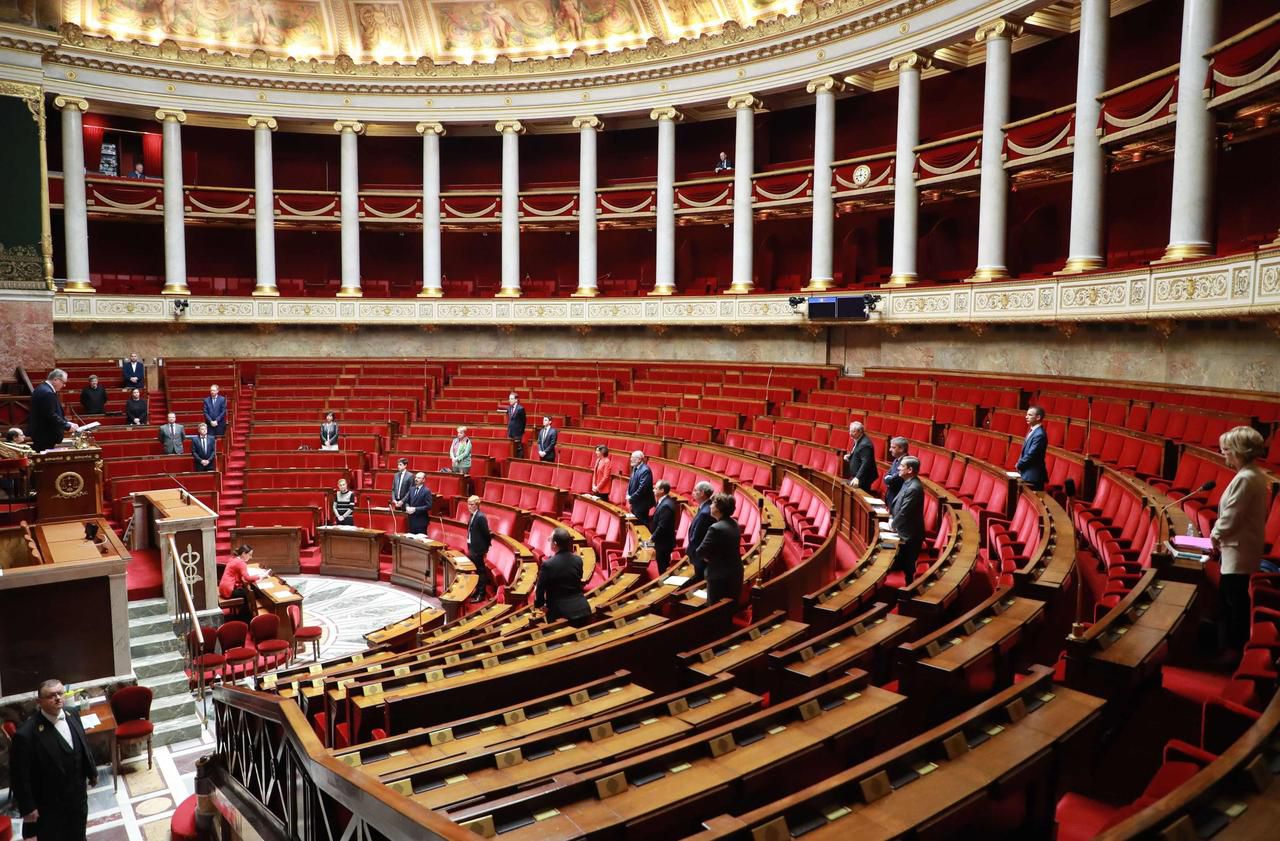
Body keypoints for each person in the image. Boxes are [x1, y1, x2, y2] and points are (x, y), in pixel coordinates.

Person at [9, 678, 98, 841]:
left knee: (78, 833)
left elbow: (83, 744)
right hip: (50, 803)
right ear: (39, 701)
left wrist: (92, 771)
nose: (57, 698)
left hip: (77, 795)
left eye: (60, 693)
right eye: (51, 696)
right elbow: (20, 775)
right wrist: (28, 808)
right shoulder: (26, 734)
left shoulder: (72, 714)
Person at [1211, 426, 1268, 658]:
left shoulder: (1246, 479)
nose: (1223, 453)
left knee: (1234, 606)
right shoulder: (1251, 475)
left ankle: (1232, 654)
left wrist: (1214, 536)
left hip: (1239, 552)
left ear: (1238, 451)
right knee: (1232, 603)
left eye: (1226, 449)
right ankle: (1231, 650)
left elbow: (1231, 517)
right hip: (1240, 548)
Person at [534, 527, 592, 626]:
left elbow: (540, 589)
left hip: (561, 615)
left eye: (550, 540)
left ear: (555, 544)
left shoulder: (548, 565)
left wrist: (540, 605)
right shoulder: (578, 560)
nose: (549, 542)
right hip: (583, 609)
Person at [698, 493, 743, 607]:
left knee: (715, 611)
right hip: (735, 573)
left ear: (719, 509)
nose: (710, 506)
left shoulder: (715, 528)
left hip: (719, 577)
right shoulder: (734, 523)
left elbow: (701, 551)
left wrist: (706, 557)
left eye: (713, 503)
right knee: (729, 608)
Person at [889, 456, 925, 583]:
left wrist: (892, 524)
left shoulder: (914, 488)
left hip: (909, 535)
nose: (898, 468)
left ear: (910, 470)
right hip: (903, 530)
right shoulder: (908, 482)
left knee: (908, 569)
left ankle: (908, 596)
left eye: (902, 466)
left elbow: (904, 512)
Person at [29, 369, 78, 452]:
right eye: (63, 382)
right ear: (55, 379)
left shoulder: (42, 388)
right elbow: (50, 415)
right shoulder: (47, 392)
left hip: (41, 434)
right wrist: (67, 426)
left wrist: (67, 422)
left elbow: (52, 412)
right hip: (45, 435)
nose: (64, 385)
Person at [218, 545, 264, 620]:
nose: (251, 557)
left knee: (246, 592)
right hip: (229, 591)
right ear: (243, 554)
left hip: (223, 588)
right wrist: (259, 576)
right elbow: (247, 578)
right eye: (250, 555)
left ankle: (244, 616)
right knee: (249, 595)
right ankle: (245, 618)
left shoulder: (233, 559)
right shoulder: (241, 563)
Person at [686, 481, 715, 583]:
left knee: (699, 580)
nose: (692, 493)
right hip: (699, 554)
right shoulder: (704, 507)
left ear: (702, 493)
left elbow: (698, 537)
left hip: (700, 556)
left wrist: (690, 552)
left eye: (695, 490)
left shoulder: (705, 512)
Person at [465, 495, 492, 603]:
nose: (469, 506)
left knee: (480, 571)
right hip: (472, 547)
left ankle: (481, 594)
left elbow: (486, 534)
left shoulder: (480, 517)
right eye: (468, 504)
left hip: (478, 549)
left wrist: (485, 548)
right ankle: (477, 591)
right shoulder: (472, 515)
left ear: (477, 505)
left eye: (471, 504)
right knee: (475, 571)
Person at [649, 479, 678, 575]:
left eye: (655, 488)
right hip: (662, 542)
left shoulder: (666, 505)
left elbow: (662, 526)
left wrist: (652, 538)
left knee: (663, 569)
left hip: (664, 544)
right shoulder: (664, 501)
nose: (653, 490)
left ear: (662, 491)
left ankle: (664, 588)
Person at [1016, 407, 1048, 490]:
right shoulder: (1033, 431)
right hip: (1027, 474)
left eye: (1030, 415)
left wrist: (1019, 464)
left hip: (1033, 477)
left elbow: (1031, 454)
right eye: (1026, 414)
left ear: (1038, 417)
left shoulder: (1039, 434)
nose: (1026, 417)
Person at [626, 450, 655, 526]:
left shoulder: (645, 470)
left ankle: (645, 537)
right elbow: (631, 483)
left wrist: (631, 497)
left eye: (633, 457)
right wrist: (628, 494)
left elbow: (642, 489)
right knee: (636, 524)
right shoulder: (636, 468)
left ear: (639, 459)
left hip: (642, 503)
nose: (631, 459)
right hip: (636, 502)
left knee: (642, 524)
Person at [845, 421, 877, 490]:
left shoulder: (865, 444)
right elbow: (858, 454)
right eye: (850, 431)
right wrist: (850, 456)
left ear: (860, 432)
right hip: (858, 476)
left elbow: (866, 463)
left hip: (863, 478)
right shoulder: (858, 439)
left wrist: (857, 477)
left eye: (853, 432)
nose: (850, 434)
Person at [883, 437, 910, 508]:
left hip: (898, 500)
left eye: (893, 447)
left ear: (901, 449)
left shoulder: (906, 462)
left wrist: (889, 478)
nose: (890, 450)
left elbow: (892, 480)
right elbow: (887, 476)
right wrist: (889, 478)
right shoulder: (896, 460)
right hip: (892, 497)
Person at [500, 392, 527, 459]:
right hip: (510, 431)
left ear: (516, 400)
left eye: (511, 399)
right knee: (510, 448)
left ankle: (520, 461)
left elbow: (524, 421)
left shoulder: (520, 409)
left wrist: (521, 431)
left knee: (518, 448)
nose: (510, 400)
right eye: (509, 399)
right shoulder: (509, 408)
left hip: (517, 432)